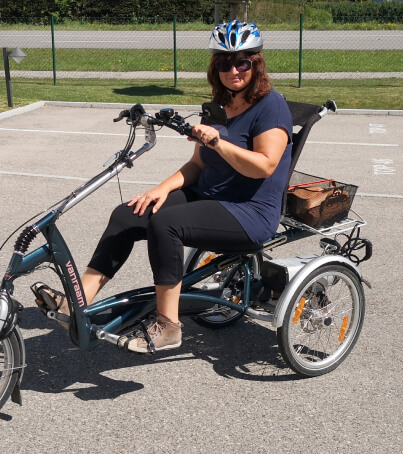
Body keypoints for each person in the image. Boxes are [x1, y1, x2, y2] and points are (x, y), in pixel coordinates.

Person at [41, 20, 293, 354]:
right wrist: (159, 189)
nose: (233, 69)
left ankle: (168, 325)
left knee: (166, 224)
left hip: (250, 212)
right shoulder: (219, 106)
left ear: (256, 64)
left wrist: (219, 142)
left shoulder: (271, 106)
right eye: (224, 62)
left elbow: (265, 165)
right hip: (211, 196)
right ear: (215, 67)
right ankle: (79, 300)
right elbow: (197, 165)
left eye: (242, 62)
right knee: (130, 213)